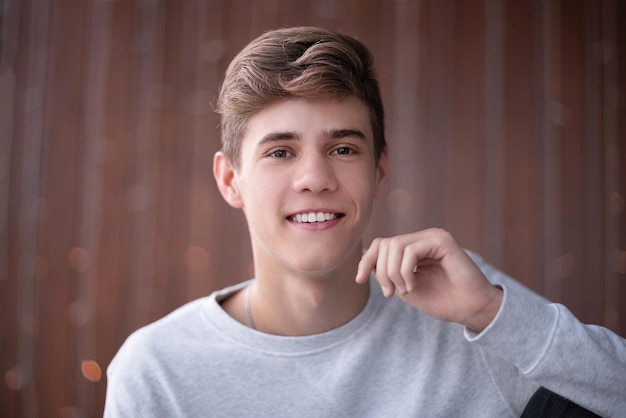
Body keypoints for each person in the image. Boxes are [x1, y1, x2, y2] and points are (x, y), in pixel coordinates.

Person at [104, 26, 626, 417]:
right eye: (281, 152)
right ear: (230, 180)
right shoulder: (157, 371)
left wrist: (492, 312)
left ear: (379, 171)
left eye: (343, 147)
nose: (315, 177)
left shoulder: (472, 318)